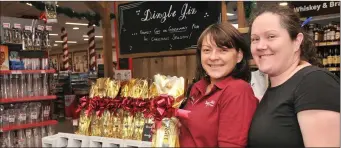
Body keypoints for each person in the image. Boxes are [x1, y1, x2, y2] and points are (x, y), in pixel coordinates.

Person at [247, 4, 340, 147]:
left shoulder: (314, 82)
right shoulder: (276, 86)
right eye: (255, 39)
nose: (260, 46)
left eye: (271, 36)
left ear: (297, 41)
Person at [179, 22, 258, 147]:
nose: (213, 57)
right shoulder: (198, 87)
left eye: (223, 50)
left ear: (239, 56)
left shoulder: (238, 90)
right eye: (207, 50)